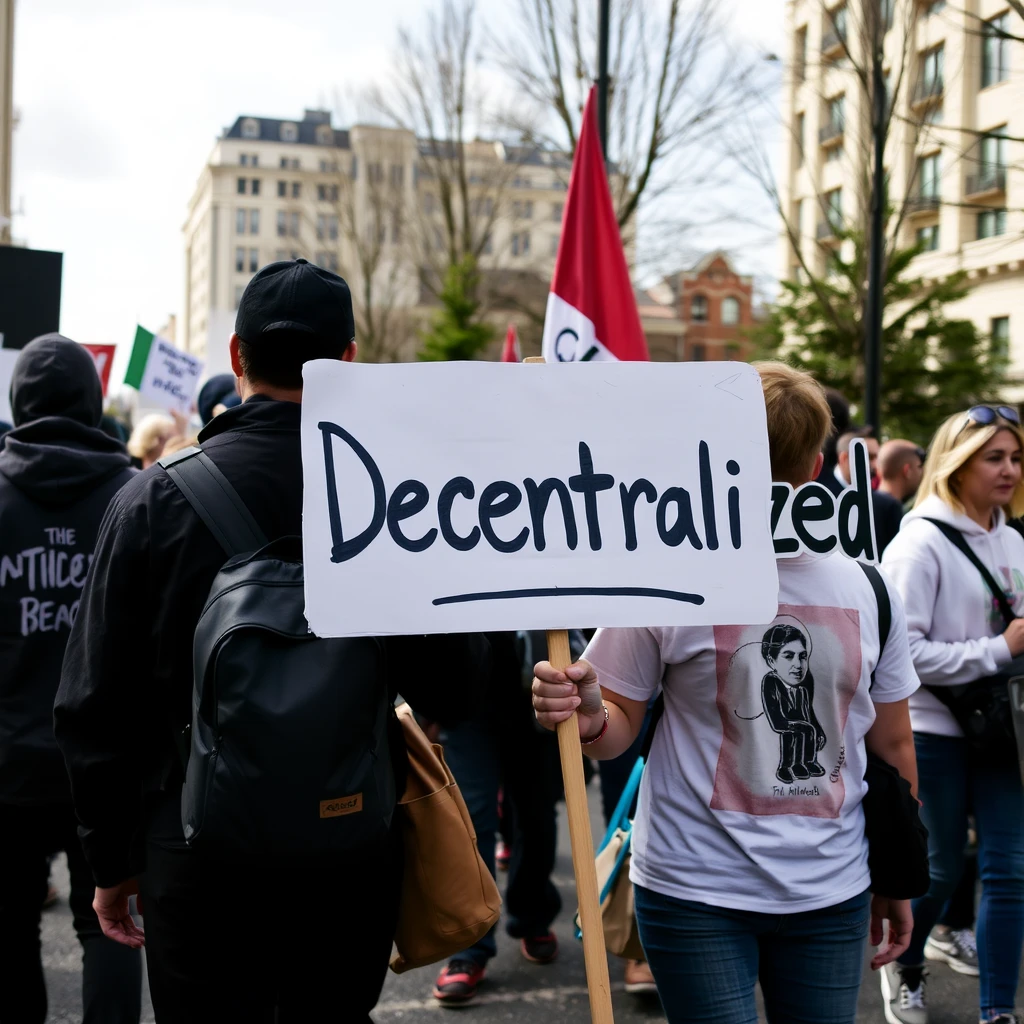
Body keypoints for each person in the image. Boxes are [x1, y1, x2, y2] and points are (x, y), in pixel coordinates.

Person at [53, 260, 490, 1024]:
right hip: (350, 842)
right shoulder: (399, 500)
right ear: (349, 360)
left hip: (194, 844)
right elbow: (454, 685)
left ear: (235, 356)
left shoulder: (153, 500)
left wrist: (111, 861)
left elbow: (92, 704)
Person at [533, 362, 919, 1024]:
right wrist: (589, 713)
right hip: (695, 893)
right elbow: (896, 747)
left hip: (828, 896)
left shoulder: (871, 589)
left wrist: (890, 874)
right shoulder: (669, 578)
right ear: (818, 465)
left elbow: (890, 745)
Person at [0, 334, 141, 1024]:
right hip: (109, 761)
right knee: (109, 924)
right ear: (91, 404)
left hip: (8, 761)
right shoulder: (135, 496)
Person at [881, 405, 1024, 1024]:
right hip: (931, 731)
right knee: (936, 871)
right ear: (957, 463)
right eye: (994, 457)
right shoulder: (919, 541)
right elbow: (900, 652)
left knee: (1011, 870)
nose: (1009, 470)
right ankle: (906, 967)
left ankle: (997, 1009)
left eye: (1016, 457)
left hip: (1004, 730)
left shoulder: (1014, 538)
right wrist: (1001, 648)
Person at [432, 630, 567, 1006]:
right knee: (470, 823)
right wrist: (428, 704)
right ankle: (469, 946)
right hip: (468, 697)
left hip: (540, 690)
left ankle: (532, 916)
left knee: (537, 816)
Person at [823, 427, 905, 556]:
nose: (874, 464)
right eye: (869, 457)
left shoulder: (885, 504)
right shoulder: (818, 495)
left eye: (877, 457)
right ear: (844, 458)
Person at [878, 440, 926, 508]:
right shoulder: (893, 510)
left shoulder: (867, 506)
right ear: (907, 470)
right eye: (919, 467)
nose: (923, 472)